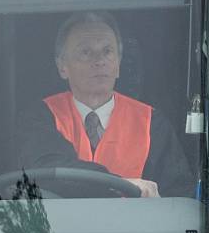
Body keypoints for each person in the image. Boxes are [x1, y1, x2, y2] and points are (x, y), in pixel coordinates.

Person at [17, 11, 193, 197]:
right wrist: (119, 184)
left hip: (133, 226)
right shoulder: (40, 117)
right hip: (59, 225)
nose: (99, 61)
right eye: (85, 52)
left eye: (107, 51)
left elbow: (179, 197)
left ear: (118, 63)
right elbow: (46, 170)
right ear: (62, 66)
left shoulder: (152, 123)